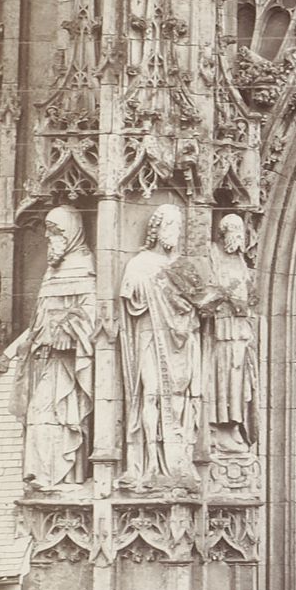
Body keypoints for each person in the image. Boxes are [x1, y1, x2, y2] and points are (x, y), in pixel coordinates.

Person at [118, 204, 221, 491]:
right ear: (156, 230)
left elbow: (201, 304)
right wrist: (159, 285)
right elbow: (131, 299)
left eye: (178, 226)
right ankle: (150, 462)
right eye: (169, 226)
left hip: (183, 340)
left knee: (182, 399)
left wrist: (205, 302)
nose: (173, 232)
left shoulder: (184, 266)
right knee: (151, 393)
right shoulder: (140, 263)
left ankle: (180, 461)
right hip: (151, 336)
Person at [13, 206, 97, 490]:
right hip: (44, 358)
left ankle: (60, 474)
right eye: (48, 231)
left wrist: (68, 329)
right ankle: (43, 473)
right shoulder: (52, 271)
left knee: (54, 413)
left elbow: (91, 310)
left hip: (68, 363)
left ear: (72, 232)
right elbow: (41, 314)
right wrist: (33, 339)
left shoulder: (86, 263)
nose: (50, 237)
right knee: (38, 414)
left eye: (57, 231)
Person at [205, 213, 256, 452]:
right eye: (233, 230)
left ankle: (236, 423)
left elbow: (252, 293)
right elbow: (204, 289)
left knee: (238, 377)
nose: (237, 236)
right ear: (223, 232)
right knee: (222, 376)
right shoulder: (212, 253)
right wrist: (226, 296)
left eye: (241, 232)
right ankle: (219, 426)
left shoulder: (240, 260)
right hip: (220, 328)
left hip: (240, 328)